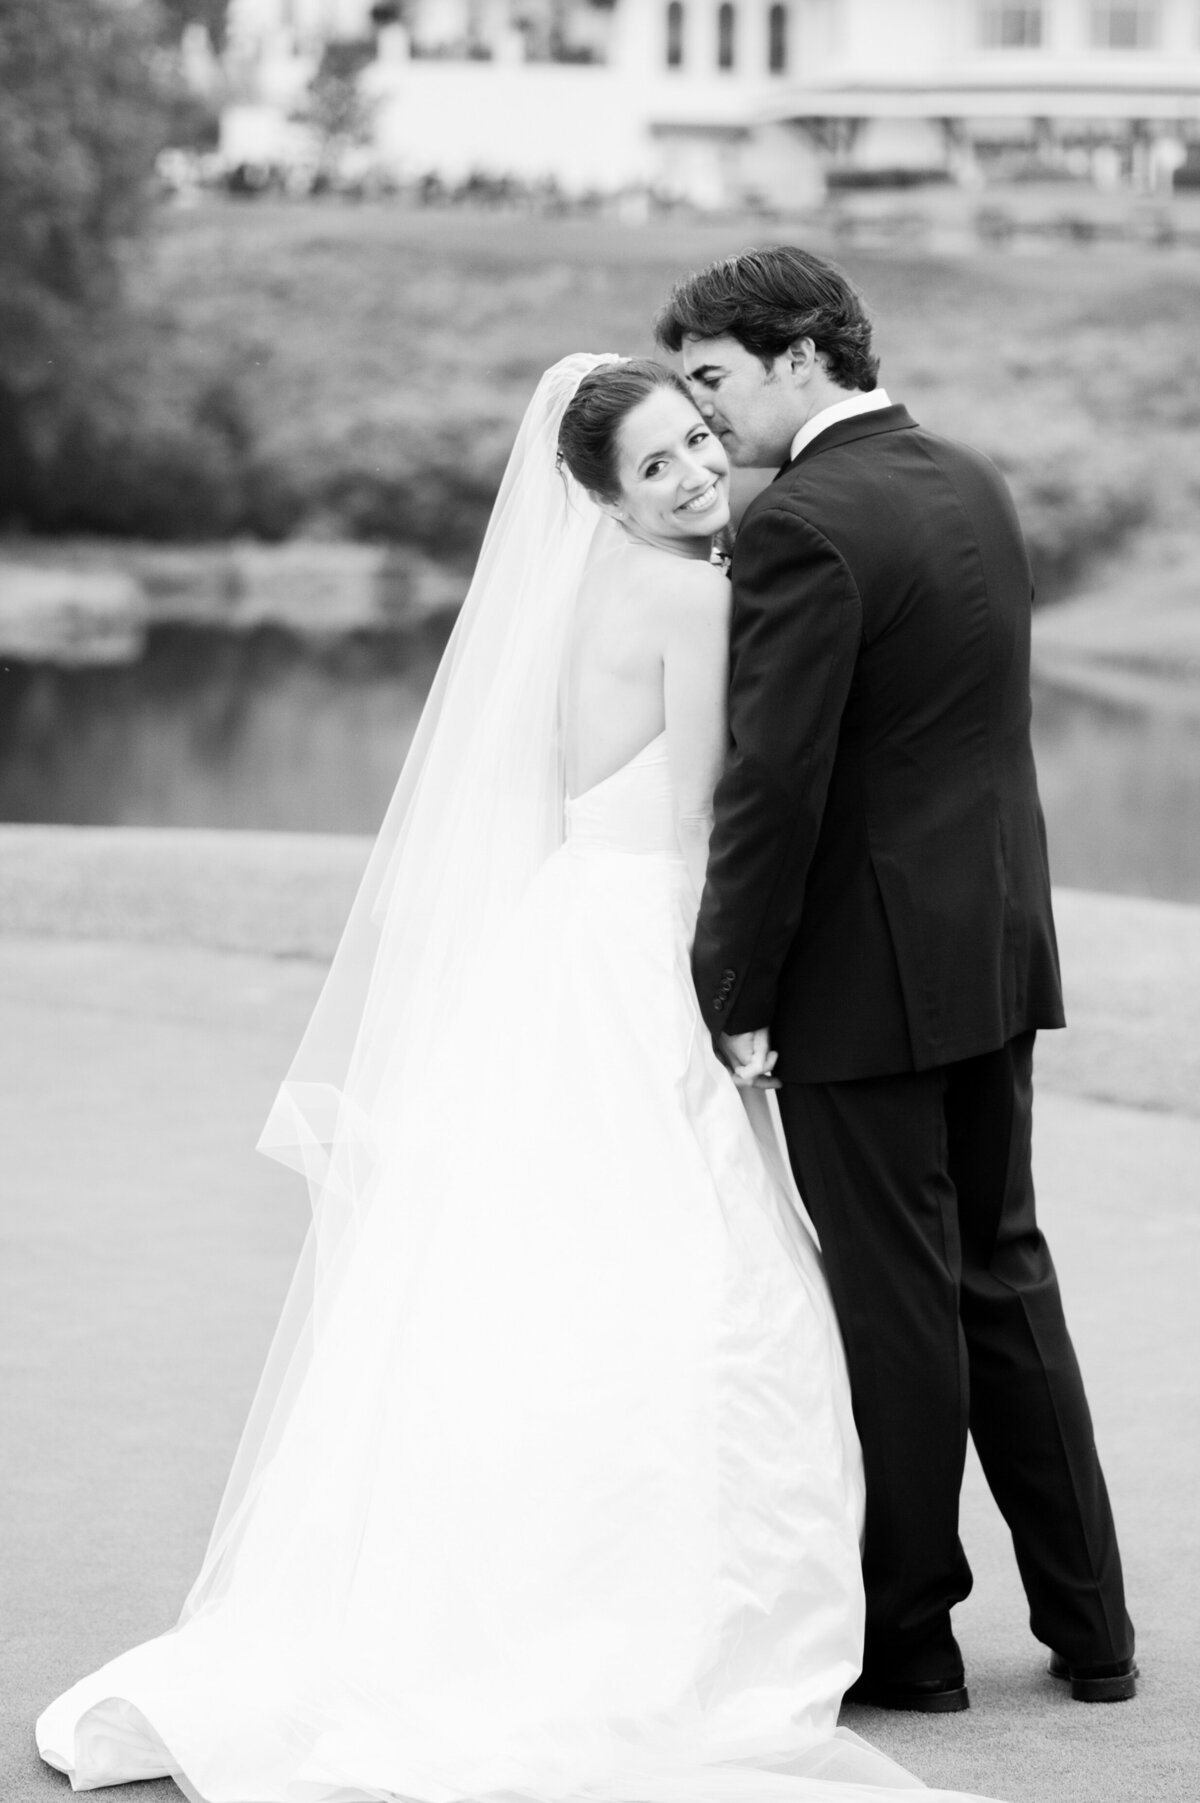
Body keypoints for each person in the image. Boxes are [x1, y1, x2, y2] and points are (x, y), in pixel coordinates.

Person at [36, 356, 1010, 1803]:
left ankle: (473, 1591)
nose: (691, 476)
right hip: (647, 949)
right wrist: (736, 1010)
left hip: (570, 938)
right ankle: (640, 1624)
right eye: (657, 468)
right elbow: (706, 819)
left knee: (533, 1273)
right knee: (695, 1283)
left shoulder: (594, 586)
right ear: (603, 496)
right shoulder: (690, 592)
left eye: (697, 444)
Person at [655, 247, 1136, 1712]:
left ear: (800, 355)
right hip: (995, 942)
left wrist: (728, 981)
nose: (703, 412)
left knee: (899, 1303)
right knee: (1005, 1269)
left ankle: (911, 1645)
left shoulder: (801, 522)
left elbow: (776, 788)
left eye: (715, 377)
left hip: (867, 972)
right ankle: (1095, 1629)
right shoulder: (972, 478)